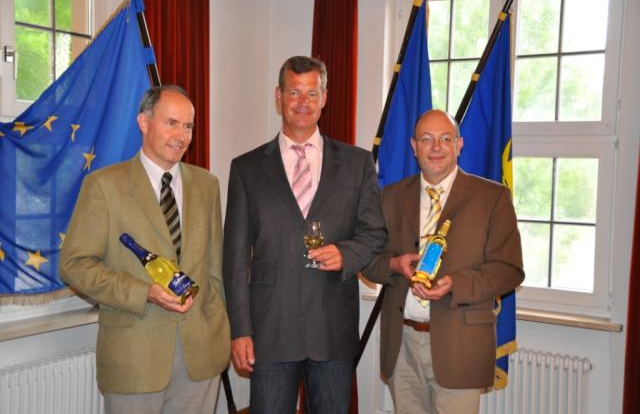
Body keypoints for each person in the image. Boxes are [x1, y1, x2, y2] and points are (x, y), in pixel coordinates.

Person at [223, 55, 387, 414]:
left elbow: (375, 234)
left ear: (324, 97)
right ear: (278, 96)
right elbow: (234, 259)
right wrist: (240, 330)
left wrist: (345, 254)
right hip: (270, 331)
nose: (303, 102)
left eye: (312, 93)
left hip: (332, 330)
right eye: (294, 92)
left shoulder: (357, 164)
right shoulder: (247, 168)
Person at [59, 85, 230, 414]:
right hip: (134, 356)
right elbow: (75, 265)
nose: (181, 135)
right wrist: (144, 292)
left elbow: (214, 267)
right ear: (144, 122)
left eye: (188, 126)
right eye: (171, 123)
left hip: (200, 354)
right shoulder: (104, 186)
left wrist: (220, 329)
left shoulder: (207, 185)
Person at [363, 109, 524, 414]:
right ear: (414, 146)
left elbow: (509, 270)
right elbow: (368, 260)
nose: (436, 147)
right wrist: (395, 265)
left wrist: (456, 284)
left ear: (458, 144)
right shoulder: (392, 196)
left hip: (460, 346)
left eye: (445, 139)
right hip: (402, 345)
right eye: (426, 139)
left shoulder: (492, 197)